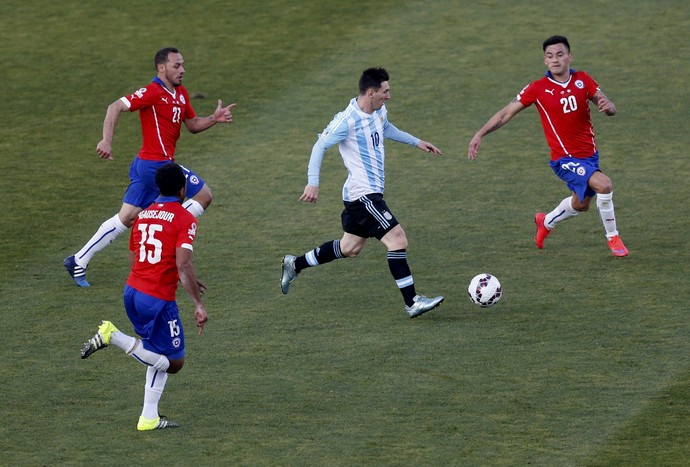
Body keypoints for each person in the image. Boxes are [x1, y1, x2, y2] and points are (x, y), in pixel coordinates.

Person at [281, 67, 445, 318]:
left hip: (365, 195)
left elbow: (386, 127)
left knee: (350, 248)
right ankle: (412, 302)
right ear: (371, 93)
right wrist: (312, 182)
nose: (388, 96)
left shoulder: (378, 111)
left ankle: (295, 264)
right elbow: (319, 145)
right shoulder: (347, 120)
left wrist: (417, 142)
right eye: (385, 91)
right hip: (363, 195)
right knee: (398, 240)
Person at [64, 47, 236, 287]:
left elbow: (193, 124)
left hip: (149, 165)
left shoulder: (181, 93)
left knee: (126, 218)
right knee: (204, 195)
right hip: (156, 166)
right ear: (161, 68)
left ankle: (78, 260)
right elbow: (115, 107)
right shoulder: (151, 92)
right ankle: (166, 235)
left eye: (183, 65)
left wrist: (213, 119)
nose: (182, 70)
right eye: (177, 65)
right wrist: (106, 140)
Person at [468, 35, 628, 257]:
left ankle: (546, 221)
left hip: (589, 157)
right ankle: (613, 238)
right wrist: (480, 133)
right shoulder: (538, 88)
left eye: (560, 55)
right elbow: (506, 113)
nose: (555, 60)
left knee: (581, 205)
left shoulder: (583, 79)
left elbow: (607, 106)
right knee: (605, 185)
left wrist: (609, 106)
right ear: (545, 60)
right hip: (564, 159)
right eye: (549, 56)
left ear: (569, 57)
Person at [80, 162, 208, 431]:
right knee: (174, 362)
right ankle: (112, 336)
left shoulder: (143, 214)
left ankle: (148, 417)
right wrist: (198, 303)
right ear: (183, 189)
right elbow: (183, 264)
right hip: (158, 300)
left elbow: (135, 256)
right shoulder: (185, 218)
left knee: (155, 351)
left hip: (133, 292)